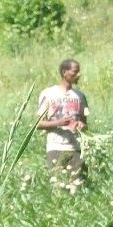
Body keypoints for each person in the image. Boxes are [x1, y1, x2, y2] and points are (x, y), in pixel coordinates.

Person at [36, 59, 89, 189]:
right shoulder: (48, 94)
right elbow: (37, 124)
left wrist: (82, 126)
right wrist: (59, 123)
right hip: (55, 146)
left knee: (76, 187)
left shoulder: (80, 96)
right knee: (57, 186)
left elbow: (85, 123)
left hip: (75, 147)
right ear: (64, 72)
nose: (79, 75)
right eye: (75, 71)